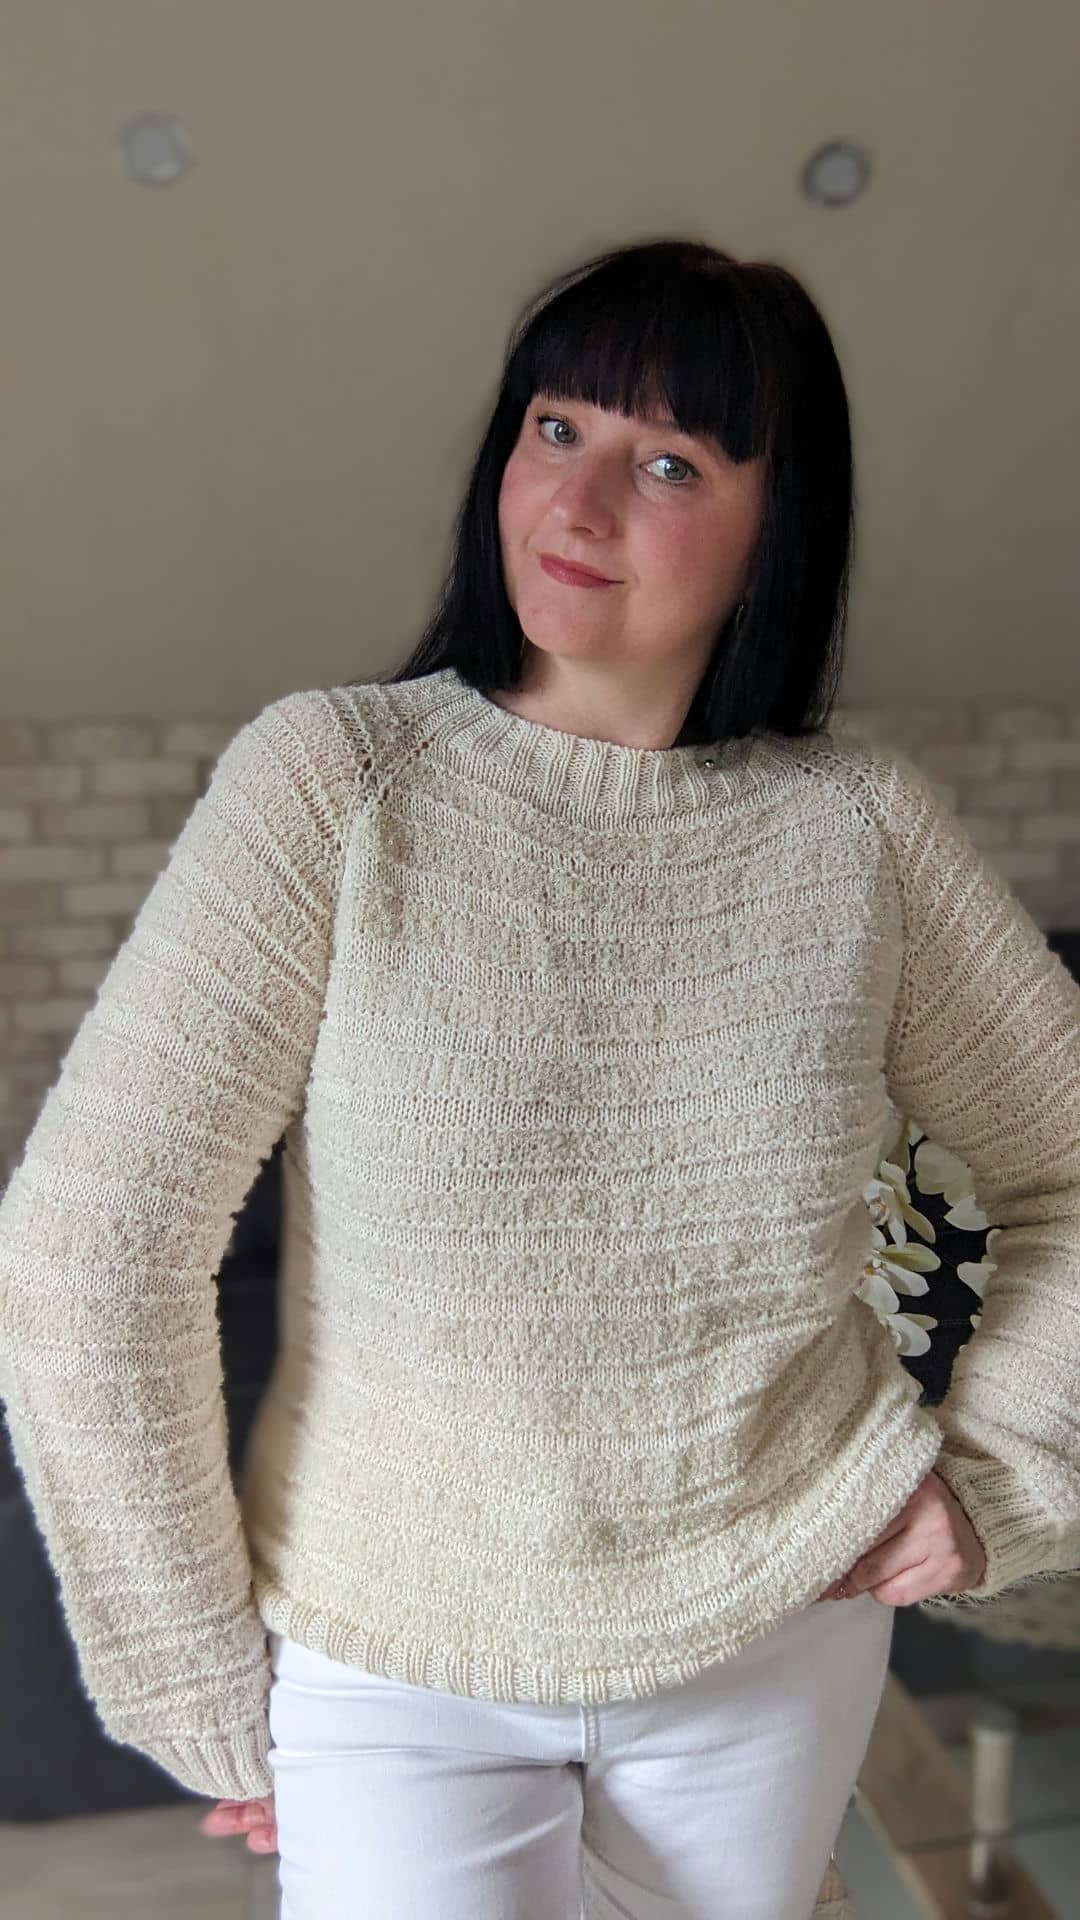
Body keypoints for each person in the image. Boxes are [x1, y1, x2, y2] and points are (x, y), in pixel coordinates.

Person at [2, 236, 1079, 1919]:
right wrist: (193, 1672)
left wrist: (1006, 1469)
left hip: (777, 1627)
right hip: (393, 1645)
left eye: (670, 462)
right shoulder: (341, 784)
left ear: (777, 522)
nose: (575, 505)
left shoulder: (857, 834)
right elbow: (93, 1246)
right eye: (555, 428)